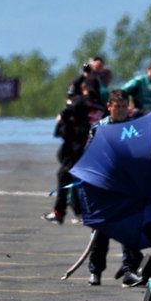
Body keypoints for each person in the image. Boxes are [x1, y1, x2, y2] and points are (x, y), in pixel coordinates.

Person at [84, 89, 146, 287]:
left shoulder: (134, 127)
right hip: (105, 186)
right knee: (101, 230)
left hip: (128, 186)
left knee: (129, 229)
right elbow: (89, 157)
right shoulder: (99, 128)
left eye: (123, 106)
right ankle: (95, 271)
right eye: (116, 106)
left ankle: (129, 270)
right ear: (109, 107)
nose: (120, 110)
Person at [46, 87, 92, 224]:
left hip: (79, 149)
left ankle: (63, 212)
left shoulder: (81, 111)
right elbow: (59, 132)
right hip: (70, 149)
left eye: (73, 97)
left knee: (66, 176)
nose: (70, 99)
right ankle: (76, 212)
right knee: (71, 180)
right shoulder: (68, 114)